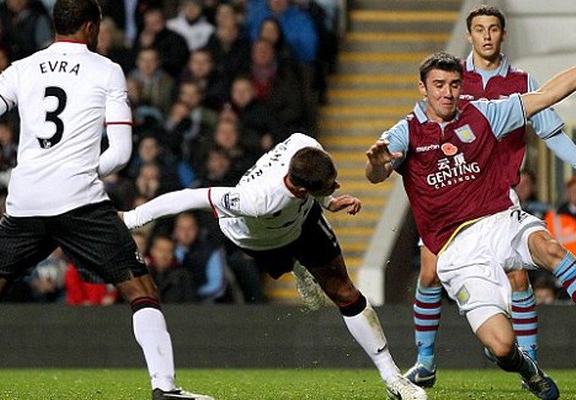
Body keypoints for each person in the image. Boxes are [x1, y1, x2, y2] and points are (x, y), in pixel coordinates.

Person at [365, 42, 576, 400]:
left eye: (454, 84)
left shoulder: (485, 113)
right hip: (457, 253)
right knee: (502, 347)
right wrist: (377, 163)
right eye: (439, 85)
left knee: (550, 249)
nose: (448, 93)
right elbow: (377, 172)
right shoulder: (406, 132)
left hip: (501, 220)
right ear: (422, 88)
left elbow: (548, 94)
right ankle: (526, 367)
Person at [0, 1, 211, 399]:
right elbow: (121, 153)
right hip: (80, 201)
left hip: (26, 201)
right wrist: (79, 171)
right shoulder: (107, 70)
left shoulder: (21, 68)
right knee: (140, 288)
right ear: (91, 27)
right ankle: (165, 388)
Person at [123, 132, 429, 400]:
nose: (335, 184)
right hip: (260, 239)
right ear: (300, 190)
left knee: (344, 292)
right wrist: (133, 218)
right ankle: (297, 265)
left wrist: (328, 200)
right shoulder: (256, 200)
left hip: (302, 220)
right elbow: (190, 197)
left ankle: (392, 378)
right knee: (287, 258)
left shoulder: (305, 145)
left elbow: (317, 179)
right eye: (329, 185)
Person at [405, 5, 576, 388]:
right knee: (428, 271)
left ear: (503, 34)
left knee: (519, 277)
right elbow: (421, 125)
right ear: (469, 35)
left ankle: (530, 360)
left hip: (498, 197)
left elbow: (550, 132)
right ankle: (425, 361)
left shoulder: (521, 80)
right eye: (479, 29)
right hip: (450, 197)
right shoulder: (450, 78)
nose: (486, 35)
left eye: (493, 29)